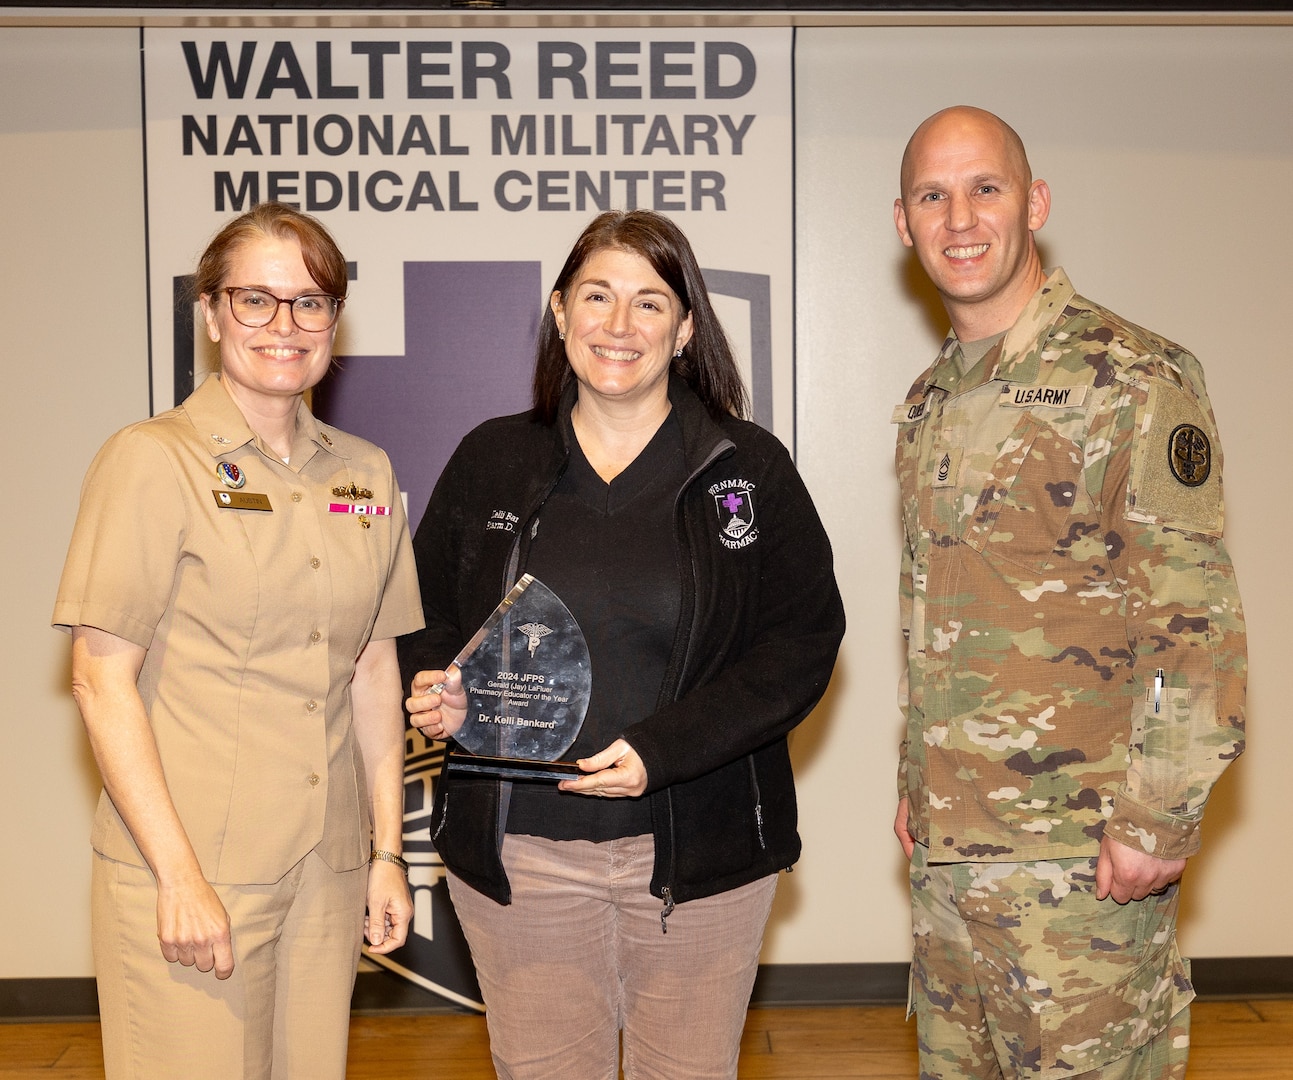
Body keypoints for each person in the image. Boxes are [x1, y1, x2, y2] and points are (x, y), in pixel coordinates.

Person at [398, 209, 845, 1079]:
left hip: (698, 856)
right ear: (560, 311)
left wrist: (662, 750)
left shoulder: (746, 468)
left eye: (649, 303)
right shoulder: (492, 458)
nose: (617, 324)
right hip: (522, 851)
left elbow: (801, 642)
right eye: (596, 296)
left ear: (684, 330)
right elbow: (428, 613)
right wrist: (440, 683)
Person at [890, 106, 1246, 1079]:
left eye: (986, 188)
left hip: (1082, 872)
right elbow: (940, 613)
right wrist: (915, 782)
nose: (960, 218)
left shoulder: (1131, 377)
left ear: (1035, 203)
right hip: (955, 863)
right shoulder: (931, 400)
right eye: (934, 195)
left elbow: (1193, 622)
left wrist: (1159, 822)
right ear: (903, 222)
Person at [52, 203, 423, 1080]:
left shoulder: (365, 473)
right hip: (194, 876)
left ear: (335, 318)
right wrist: (176, 876)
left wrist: (386, 852)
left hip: (325, 873)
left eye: (310, 302)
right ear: (212, 314)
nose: (284, 325)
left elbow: (373, 672)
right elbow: (102, 683)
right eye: (254, 300)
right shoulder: (149, 460)